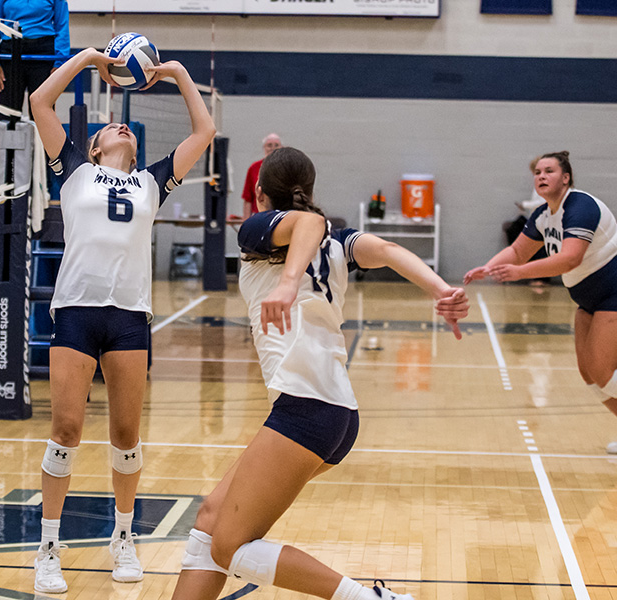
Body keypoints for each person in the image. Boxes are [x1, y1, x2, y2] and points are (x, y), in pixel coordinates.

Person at [171, 147, 469, 600]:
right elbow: (386, 251)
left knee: (230, 546)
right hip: (332, 413)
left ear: (259, 194)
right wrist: (441, 289)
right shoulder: (337, 244)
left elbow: (309, 223)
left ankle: (369, 599)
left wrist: (289, 282)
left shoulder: (257, 229)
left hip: (306, 410)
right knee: (211, 520)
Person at [29, 48, 215, 593]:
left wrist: (177, 73)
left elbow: (204, 130)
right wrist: (87, 58)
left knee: (126, 434)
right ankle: (47, 548)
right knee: (66, 430)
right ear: (94, 146)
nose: (121, 127)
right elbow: (40, 99)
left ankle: (124, 538)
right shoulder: (73, 170)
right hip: (78, 311)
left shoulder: (153, 182)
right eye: (112, 127)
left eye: (128, 128)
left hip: (130, 315)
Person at [465, 151, 617, 454]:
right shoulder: (544, 214)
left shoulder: (581, 206)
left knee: (603, 372)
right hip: (587, 299)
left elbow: (570, 258)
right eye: (537, 172)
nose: (541, 176)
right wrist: (490, 266)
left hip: (612, 293)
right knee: (590, 377)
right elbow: (519, 251)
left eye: (549, 171)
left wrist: (519, 273)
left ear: (566, 177)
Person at [0, 0, 70, 115]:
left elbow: (62, 27)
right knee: (8, 115)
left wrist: (59, 63)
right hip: (9, 54)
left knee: (42, 114)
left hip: (43, 55)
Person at [241, 133, 282, 218]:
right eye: (269, 145)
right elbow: (247, 198)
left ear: (281, 148)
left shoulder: (285, 167)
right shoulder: (254, 167)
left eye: (276, 145)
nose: (273, 148)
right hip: (259, 215)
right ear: (264, 148)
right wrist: (245, 221)